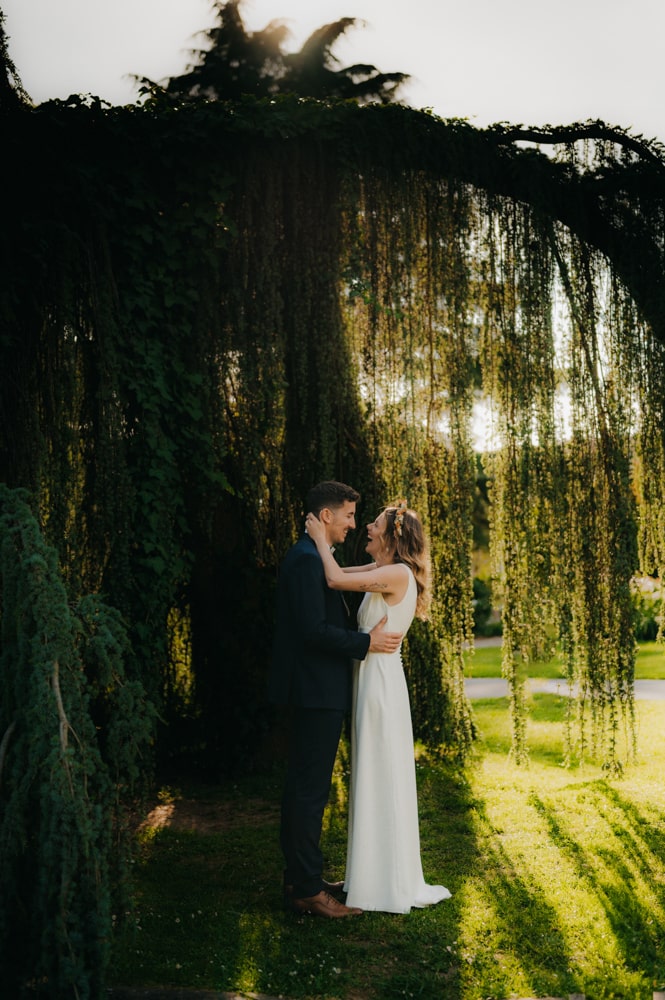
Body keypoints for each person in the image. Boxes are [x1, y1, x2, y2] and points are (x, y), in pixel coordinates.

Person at [304, 500, 451, 913]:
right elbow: (336, 573)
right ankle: (369, 874)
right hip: (373, 679)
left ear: (392, 535)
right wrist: (320, 551)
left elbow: (333, 580)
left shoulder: (395, 573)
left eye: (376, 524)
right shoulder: (383, 569)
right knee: (374, 771)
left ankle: (382, 882)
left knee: (378, 771)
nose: (367, 527)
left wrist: (318, 537)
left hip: (381, 686)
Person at [268, 481, 404, 919]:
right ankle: (307, 890)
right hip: (314, 692)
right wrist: (365, 644)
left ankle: (302, 878)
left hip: (319, 691)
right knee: (309, 792)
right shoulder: (307, 560)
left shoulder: (313, 557)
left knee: (308, 789)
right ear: (327, 516)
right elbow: (313, 632)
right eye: (347, 515)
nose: (352, 524)